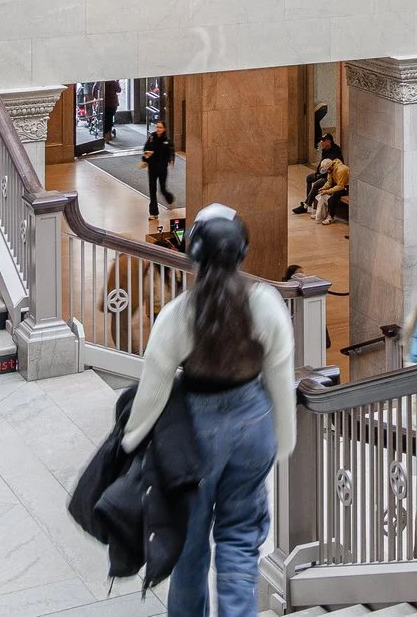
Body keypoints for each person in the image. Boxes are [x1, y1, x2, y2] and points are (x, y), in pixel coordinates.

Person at [122, 205, 295, 617]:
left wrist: (133, 437)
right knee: (239, 541)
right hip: (254, 428)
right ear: (243, 251)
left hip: (194, 438)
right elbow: (280, 376)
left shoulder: (178, 314)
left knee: (191, 547)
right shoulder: (266, 304)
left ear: (193, 253)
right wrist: (283, 439)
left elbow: (155, 384)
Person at [292, 132, 343, 214]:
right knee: (309, 178)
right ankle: (308, 201)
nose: (321, 143)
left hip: (331, 177)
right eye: (321, 141)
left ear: (329, 141)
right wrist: (317, 173)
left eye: (323, 141)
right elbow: (321, 164)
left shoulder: (335, 151)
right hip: (322, 174)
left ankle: (305, 205)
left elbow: (329, 168)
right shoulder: (325, 150)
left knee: (317, 183)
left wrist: (319, 176)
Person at [142, 117, 177, 217]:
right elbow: (146, 148)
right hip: (152, 168)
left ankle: (170, 199)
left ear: (164, 129)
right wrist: (145, 158)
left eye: (160, 127)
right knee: (152, 190)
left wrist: (171, 160)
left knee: (162, 189)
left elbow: (171, 151)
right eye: (157, 127)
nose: (158, 129)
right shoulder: (152, 138)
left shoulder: (167, 140)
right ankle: (154, 213)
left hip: (162, 168)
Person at [311, 152, 350, 224]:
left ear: (331, 166)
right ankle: (319, 214)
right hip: (339, 185)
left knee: (334, 195)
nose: (327, 172)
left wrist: (328, 191)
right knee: (322, 194)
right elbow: (329, 182)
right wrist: (323, 188)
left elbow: (341, 186)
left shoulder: (342, 170)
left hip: (347, 187)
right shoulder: (330, 170)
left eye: (327, 170)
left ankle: (330, 216)